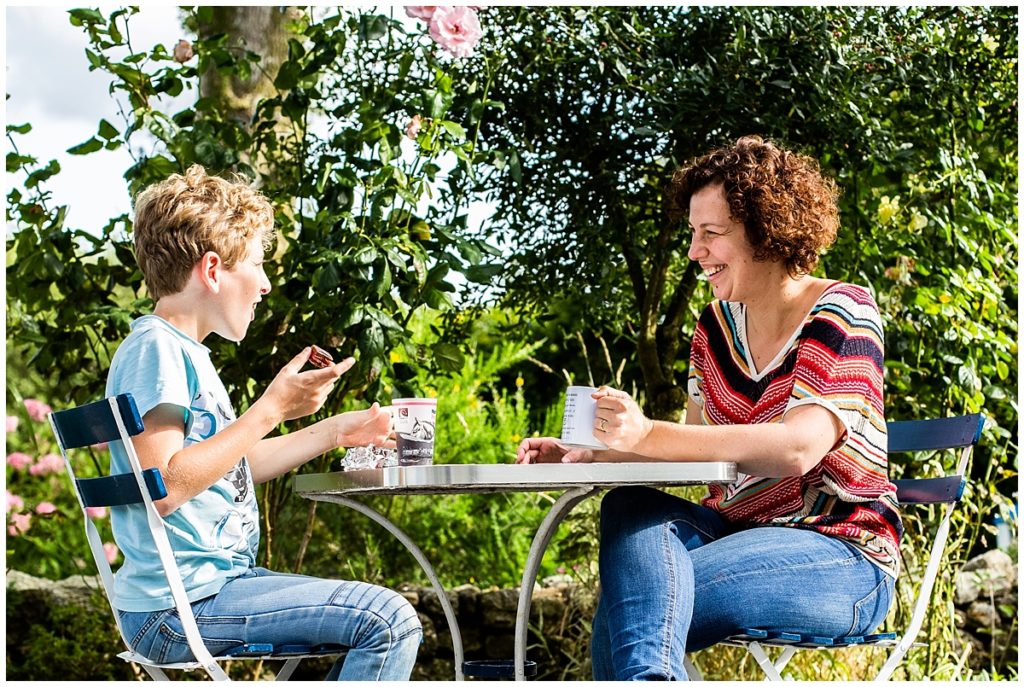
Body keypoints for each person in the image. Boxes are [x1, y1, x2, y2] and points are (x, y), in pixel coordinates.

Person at [516, 136, 901, 680]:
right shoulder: (714, 329)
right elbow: (692, 456)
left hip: (839, 552)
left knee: (631, 613)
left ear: (766, 229)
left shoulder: (842, 311)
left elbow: (797, 448)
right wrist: (590, 455)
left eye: (711, 234)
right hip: (735, 534)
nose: (695, 251)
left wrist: (646, 431)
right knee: (629, 509)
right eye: (693, 234)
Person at [106, 165, 421, 680]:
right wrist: (270, 408)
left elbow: (229, 465)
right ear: (212, 270)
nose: (266, 284)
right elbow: (162, 486)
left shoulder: (185, 354)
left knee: (350, 631)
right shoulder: (155, 349)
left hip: (211, 590)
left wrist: (332, 431)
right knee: (388, 621)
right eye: (255, 263)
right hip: (178, 608)